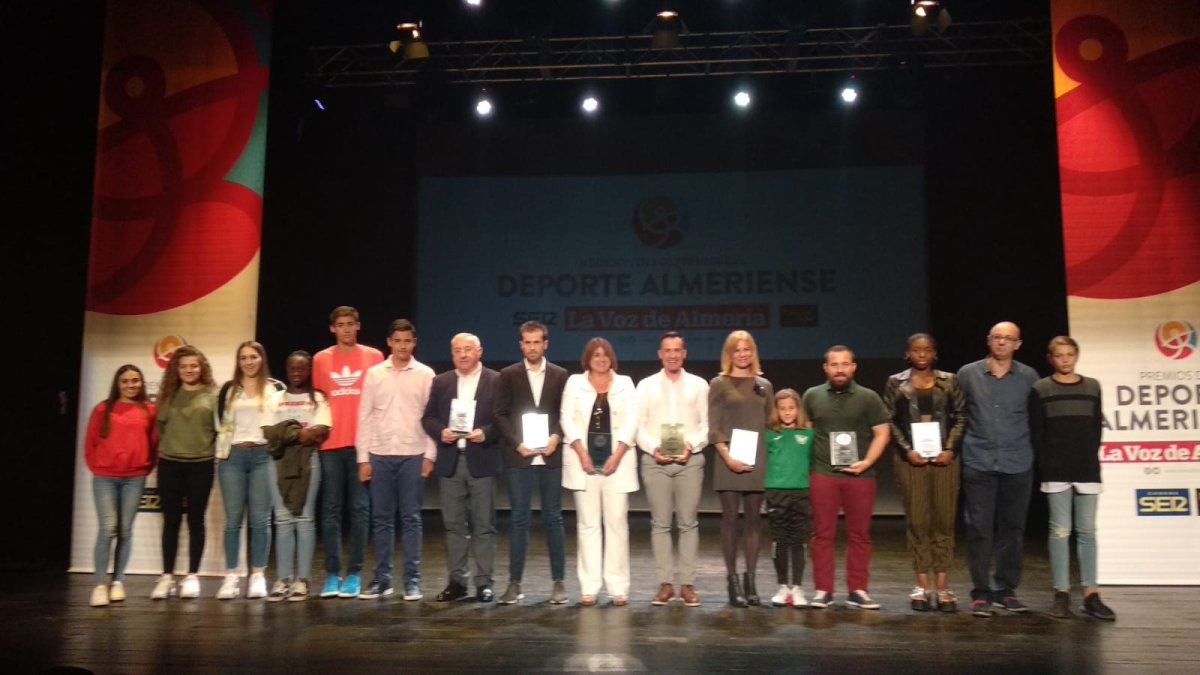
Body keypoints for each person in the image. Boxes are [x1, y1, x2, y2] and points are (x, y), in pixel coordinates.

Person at [956, 321, 1039, 617]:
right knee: (978, 528)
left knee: (1013, 529)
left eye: (1009, 338)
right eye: (997, 337)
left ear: (1018, 344)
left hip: (1017, 462)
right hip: (978, 460)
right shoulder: (968, 374)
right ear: (988, 341)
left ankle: (1006, 589)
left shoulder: (1029, 376)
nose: (1002, 342)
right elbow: (958, 414)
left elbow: (1035, 418)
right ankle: (980, 592)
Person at [1031, 336, 1115, 621]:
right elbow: (1038, 433)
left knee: (1088, 531)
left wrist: (1088, 458)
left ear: (1076, 356)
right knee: (1060, 531)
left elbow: (1095, 428)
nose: (1065, 359)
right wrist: (1047, 465)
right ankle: (1062, 593)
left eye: (1070, 354)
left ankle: (1091, 593)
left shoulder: (1092, 386)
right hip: (1056, 469)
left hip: (1086, 468)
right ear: (1050, 358)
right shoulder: (1041, 388)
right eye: (1059, 355)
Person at [881, 334, 967, 612]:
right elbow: (889, 419)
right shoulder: (896, 382)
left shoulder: (950, 380)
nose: (921, 354)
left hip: (944, 460)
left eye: (927, 349)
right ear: (908, 353)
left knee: (943, 521)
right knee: (918, 522)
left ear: (935, 353)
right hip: (911, 461)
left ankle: (942, 587)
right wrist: (906, 449)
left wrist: (951, 449)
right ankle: (921, 586)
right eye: (916, 350)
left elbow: (961, 416)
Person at [803, 345, 891, 610]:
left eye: (844, 364)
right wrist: (807, 468)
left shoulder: (869, 397)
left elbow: (882, 433)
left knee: (860, 534)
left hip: (861, 476)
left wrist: (866, 462)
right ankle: (823, 590)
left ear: (853, 367)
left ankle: (858, 589)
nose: (839, 369)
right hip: (823, 474)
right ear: (825, 368)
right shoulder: (812, 396)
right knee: (822, 534)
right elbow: (806, 434)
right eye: (834, 364)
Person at [357, 319, 436, 601]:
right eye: (398, 341)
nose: (403, 346)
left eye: (408, 341)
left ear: (414, 343)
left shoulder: (426, 374)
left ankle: (412, 581)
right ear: (389, 342)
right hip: (379, 454)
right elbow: (365, 415)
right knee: (381, 519)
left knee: (412, 518)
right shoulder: (375, 374)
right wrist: (363, 457)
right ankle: (382, 579)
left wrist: (430, 454)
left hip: (412, 453)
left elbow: (431, 417)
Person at [492, 321, 570, 605]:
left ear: (545, 344)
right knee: (519, 519)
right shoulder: (508, 375)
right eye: (527, 342)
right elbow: (499, 414)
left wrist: (556, 436)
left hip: (550, 454)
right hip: (520, 455)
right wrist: (517, 443)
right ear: (521, 344)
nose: (532, 347)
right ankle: (515, 583)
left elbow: (566, 413)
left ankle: (559, 583)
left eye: (537, 342)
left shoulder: (561, 375)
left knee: (553, 517)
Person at [422, 333, 502, 602]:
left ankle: (484, 583)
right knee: (453, 525)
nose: (463, 355)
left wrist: (486, 432)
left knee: (483, 525)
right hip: (451, 460)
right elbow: (428, 418)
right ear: (452, 353)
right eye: (458, 350)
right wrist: (441, 431)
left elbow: (503, 418)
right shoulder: (442, 381)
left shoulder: (496, 380)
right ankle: (457, 581)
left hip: (482, 459)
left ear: (480, 351)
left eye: (468, 349)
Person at [311, 306, 383, 599]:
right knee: (330, 510)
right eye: (340, 325)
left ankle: (353, 573)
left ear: (358, 326)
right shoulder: (320, 359)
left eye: (351, 324)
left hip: (362, 445)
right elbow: (317, 403)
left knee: (361, 509)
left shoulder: (374, 357)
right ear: (332, 328)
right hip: (329, 445)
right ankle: (331, 574)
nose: (346, 329)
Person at [560, 337, 638, 607]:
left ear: (611, 358)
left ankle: (618, 587)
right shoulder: (574, 383)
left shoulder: (625, 383)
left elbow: (632, 420)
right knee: (588, 525)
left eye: (605, 355)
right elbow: (566, 418)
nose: (601, 359)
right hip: (584, 465)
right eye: (596, 355)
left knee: (617, 525)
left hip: (618, 464)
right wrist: (582, 453)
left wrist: (617, 456)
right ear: (588, 359)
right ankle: (589, 586)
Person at [635, 331, 708, 607]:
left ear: (684, 353)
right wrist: (653, 447)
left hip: (690, 461)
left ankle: (687, 585)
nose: (673, 355)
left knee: (689, 524)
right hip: (656, 463)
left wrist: (691, 444)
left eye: (678, 350)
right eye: (668, 350)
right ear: (660, 354)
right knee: (661, 524)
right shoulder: (645, 386)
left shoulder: (700, 385)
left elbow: (707, 425)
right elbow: (638, 426)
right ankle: (665, 584)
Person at [708, 330, 774, 607]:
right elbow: (714, 427)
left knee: (754, 521)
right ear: (729, 353)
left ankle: (750, 580)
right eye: (737, 350)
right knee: (731, 520)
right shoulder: (719, 383)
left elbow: (772, 423)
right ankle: (732, 580)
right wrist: (727, 456)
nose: (743, 354)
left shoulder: (764, 385)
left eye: (747, 349)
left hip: (757, 458)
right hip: (728, 459)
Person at [84, 365, 157, 607]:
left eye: (135, 380)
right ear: (118, 383)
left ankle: (117, 582)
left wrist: (143, 467)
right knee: (108, 528)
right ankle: (99, 584)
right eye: (125, 381)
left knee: (125, 529)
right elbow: (90, 443)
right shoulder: (102, 409)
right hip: (105, 477)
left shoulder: (149, 410)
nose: (130, 385)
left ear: (141, 383)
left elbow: (154, 443)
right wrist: (99, 467)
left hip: (134, 478)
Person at [215, 341, 283, 600]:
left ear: (261, 358)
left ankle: (257, 575)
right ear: (238, 361)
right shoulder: (228, 390)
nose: (248, 362)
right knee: (233, 520)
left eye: (253, 356)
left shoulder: (276, 388)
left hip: (263, 456)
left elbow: (283, 423)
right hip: (232, 456)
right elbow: (218, 423)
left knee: (260, 519)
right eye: (243, 357)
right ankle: (231, 576)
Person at [152, 345, 217, 600]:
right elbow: (160, 428)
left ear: (202, 368)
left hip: (201, 464)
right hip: (170, 464)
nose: (189, 370)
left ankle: (192, 576)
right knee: (171, 522)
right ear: (176, 370)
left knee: (195, 521)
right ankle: (167, 576)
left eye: (194, 366)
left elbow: (219, 429)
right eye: (184, 366)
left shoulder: (213, 394)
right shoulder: (168, 395)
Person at [265, 351, 330, 602]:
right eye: (292, 368)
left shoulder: (318, 399)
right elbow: (269, 431)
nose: (297, 373)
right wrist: (298, 432)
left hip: (308, 460)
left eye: (302, 369)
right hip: (279, 460)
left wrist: (287, 430)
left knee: (304, 518)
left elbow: (319, 431)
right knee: (282, 519)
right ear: (287, 369)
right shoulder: (276, 397)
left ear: (308, 370)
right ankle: (282, 579)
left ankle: (302, 580)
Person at [764, 389, 813, 608]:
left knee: (799, 541)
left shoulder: (808, 434)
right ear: (776, 410)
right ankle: (783, 586)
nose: (787, 413)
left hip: (800, 492)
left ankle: (798, 587)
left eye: (791, 408)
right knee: (780, 540)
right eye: (782, 408)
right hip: (776, 492)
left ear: (798, 409)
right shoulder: (769, 434)